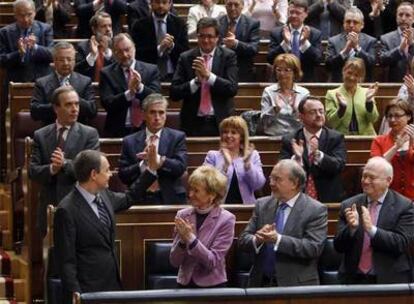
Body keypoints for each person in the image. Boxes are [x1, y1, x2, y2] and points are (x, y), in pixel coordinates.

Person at [54, 150, 143, 303]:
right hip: (88, 291)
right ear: (94, 174)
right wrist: (76, 295)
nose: (111, 174)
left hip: (112, 285)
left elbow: (130, 197)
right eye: (107, 170)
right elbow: (66, 261)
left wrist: (151, 171)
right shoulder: (66, 210)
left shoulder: (105, 195)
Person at [238, 159, 328, 287]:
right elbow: (243, 240)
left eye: (277, 179)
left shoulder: (315, 210)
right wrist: (257, 239)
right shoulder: (262, 205)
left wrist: (278, 239)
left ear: (294, 183)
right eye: (271, 178)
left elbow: (313, 248)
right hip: (260, 284)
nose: (271, 183)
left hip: (296, 286)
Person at [29, 86, 100, 237]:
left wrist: (65, 164)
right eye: (69, 105)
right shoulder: (40, 135)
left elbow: (92, 171)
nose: (75, 109)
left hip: (79, 207)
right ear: (56, 108)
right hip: (50, 206)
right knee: (52, 257)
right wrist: (51, 169)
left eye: (77, 104)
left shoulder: (89, 134)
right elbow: (33, 171)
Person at [334, 156, 414, 284]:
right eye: (364, 176)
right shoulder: (349, 205)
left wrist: (372, 230)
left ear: (388, 180)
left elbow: (401, 243)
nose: (365, 181)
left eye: (372, 178)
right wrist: (351, 229)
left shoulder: (404, 206)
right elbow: (338, 246)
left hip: (390, 280)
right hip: (353, 280)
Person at [169, 165, 236, 287]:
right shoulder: (182, 215)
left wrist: (190, 239)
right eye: (191, 189)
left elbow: (212, 261)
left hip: (212, 287)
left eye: (196, 190)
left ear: (212, 195)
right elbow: (174, 261)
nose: (190, 194)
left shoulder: (226, 219)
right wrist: (183, 242)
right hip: (185, 285)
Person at [170, 17, 238, 136]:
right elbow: (174, 93)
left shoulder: (228, 56)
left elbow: (232, 88)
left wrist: (209, 76)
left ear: (217, 38)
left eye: (210, 36)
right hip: (192, 122)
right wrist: (196, 82)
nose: (206, 40)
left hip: (221, 123)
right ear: (197, 36)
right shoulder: (186, 58)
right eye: (202, 36)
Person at [118, 94, 187, 204]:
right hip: (140, 198)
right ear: (144, 114)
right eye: (152, 112)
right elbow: (123, 175)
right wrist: (144, 163)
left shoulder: (177, 137)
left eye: (161, 112)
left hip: (170, 198)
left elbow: (180, 168)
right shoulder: (129, 141)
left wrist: (158, 160)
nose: (157, 117)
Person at [280, 97, 347, 203]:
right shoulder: (290, 140)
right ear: (301, 116)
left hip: (328, 198)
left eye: (321, 111)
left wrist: (318, 155)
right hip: (297, 198)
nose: (319, 115)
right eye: (313, 112)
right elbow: (283, 170)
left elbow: (339, 165)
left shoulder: (335, 138)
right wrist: (297, 159)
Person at [99, 33, 161, 137]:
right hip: (117, 130)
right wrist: (129, 93)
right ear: (114, 53)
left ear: (134, 48)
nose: (124, 55)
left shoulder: (151, 70)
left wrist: (140, 87)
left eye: (127, 49)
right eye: (119, 52)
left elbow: (157, 98)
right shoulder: (107, 73)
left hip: (146, 129)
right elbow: (107, 103)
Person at [30, 42, 97, 126]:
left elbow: (92, 110)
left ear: (74, 60)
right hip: (51, 131)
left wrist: (73, 100)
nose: (66, 63)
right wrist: (60, 105)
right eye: (61, 60)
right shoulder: (42, 83)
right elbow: (34, 112)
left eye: (69, 59)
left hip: (78, 133)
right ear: (54, 61)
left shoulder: (85, 81)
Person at [203, 116, 265, 204]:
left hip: (246, 209)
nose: (228, 135)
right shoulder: (212, 156)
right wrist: (225, 166)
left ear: (242, 137)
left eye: (233, 132)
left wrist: (248, 165)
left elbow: (258, 185)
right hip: (218, 209)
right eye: (225, 132)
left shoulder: (252, 155)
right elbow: (206, 185)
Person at [130, 0, 189, 81]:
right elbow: (138, 53)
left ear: (170, 4)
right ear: (151, 3)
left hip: (174, 74)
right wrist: (159, 49)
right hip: (148, 75)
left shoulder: (179, 24)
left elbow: (185, 51)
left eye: (164, 2)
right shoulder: (140, 25)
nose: (161, 6)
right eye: (157, 2)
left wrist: (172, 46)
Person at [267, 0, 322, 82]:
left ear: (306, 14)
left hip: (306, 80)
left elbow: (318, 60)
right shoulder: (277, 32)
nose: (293, 15)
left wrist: (304, 43)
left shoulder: (314, 33)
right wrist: (285, 43)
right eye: (291, 12)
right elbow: (270, 59)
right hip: (280, 80)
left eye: (298, 13)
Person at [371, 99, 414, 200]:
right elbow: (376, 167)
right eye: (389, 116)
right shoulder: (379, 141)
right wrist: (396, 147)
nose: (393, 120)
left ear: (409, 116)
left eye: (397, 116)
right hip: (388, 197)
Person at [325, 58, 379, 135]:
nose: (352, 77)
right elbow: (331, 123)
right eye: (349, 73)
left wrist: (369, 101)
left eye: (356, 75)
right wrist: (342, 108)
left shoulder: (367, 93)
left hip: (366, 138)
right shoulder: (332, 94)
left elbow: (373, 119)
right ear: (343, 71)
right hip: (342, 139)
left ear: (361, 77)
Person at [260, 53, 309, 136]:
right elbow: (263, 123)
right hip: (273, 137)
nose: (282, 73)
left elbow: (308, 121)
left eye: (287, 70)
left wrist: (296, 111)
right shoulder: (268, 91)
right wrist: (275, 110)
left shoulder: (304, 93)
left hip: (297, 137)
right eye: (279, 70)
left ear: (295, 72)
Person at [326, 7, 377, 82]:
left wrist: (357, 48)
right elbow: (328, 66)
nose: (351, 25)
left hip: (363, 85)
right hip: (338, 84)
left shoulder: (371, 41)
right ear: (343, 23)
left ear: (362, 25)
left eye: (355, 22)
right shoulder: (333, 41)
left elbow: (372, 64)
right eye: (348, 22)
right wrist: (345, 51)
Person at [218, 0, 260, 81]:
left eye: (236, 5)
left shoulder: (252, 23)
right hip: (220, 71)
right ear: (225, 5)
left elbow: (254, 49)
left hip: (243, 72)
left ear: (242, 6)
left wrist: (236, 44)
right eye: (229, 4)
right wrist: (224, 47)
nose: (232, 8)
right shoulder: (216, 22)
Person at [379, 2, 414, 82]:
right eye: (400, 15)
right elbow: (382, 60)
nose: (403, 18)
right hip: (394, 84)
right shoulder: (386, 38)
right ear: (396, 17)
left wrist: (412, 44)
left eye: (407, 15)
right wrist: (400, 49)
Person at [75, 12, 115, 81]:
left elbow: (119, 70)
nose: (108, 29)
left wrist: (107, 52)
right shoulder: (83, 47)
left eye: (110, 26)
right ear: (94, 29)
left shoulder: (116, 46)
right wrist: (92, 55)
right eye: (103, 26)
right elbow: (78, 71)